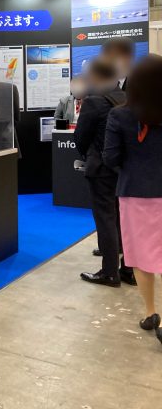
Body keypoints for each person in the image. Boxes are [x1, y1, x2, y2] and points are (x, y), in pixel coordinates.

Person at [104, 55, 162, 345]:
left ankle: (151, 312)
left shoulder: (119, 115)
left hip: (135, 193)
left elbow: (110, 157)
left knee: (140, 255)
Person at [74, 56, 132, 287]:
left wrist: (88, 155)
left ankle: (109, 272)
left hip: (101, 169)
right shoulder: (128, 98)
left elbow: (81, 137)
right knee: (124, 218)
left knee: (106, 218)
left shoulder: (94, 102)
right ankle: (128, 268)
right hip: (125, 168)